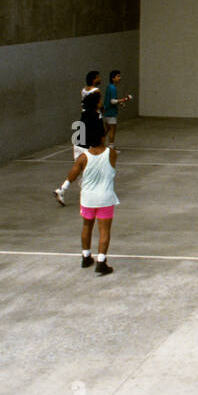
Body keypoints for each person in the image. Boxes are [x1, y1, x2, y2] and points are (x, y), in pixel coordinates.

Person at [53, 123, 120, 275]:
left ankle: (86, 256)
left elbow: (72, 175)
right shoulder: (112, 154)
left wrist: (63, 187)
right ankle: (101, 261)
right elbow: (108, 129)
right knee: (104, 229)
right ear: (103, 137)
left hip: (88, 198)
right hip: (105, 198)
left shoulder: (83, 157)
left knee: (86, 226)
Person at [102, 69, 132, 146]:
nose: (120, 78)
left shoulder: (110, 87)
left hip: (107, 111)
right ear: (113, 78)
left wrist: (120, 103)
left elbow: (110, 100)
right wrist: (124, 99)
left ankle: (99, 144)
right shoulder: (113, 88)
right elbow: (112, 101)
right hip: (111, 112)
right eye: (118, 76)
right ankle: (111, 147)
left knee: (107, 129)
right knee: (112, 129)